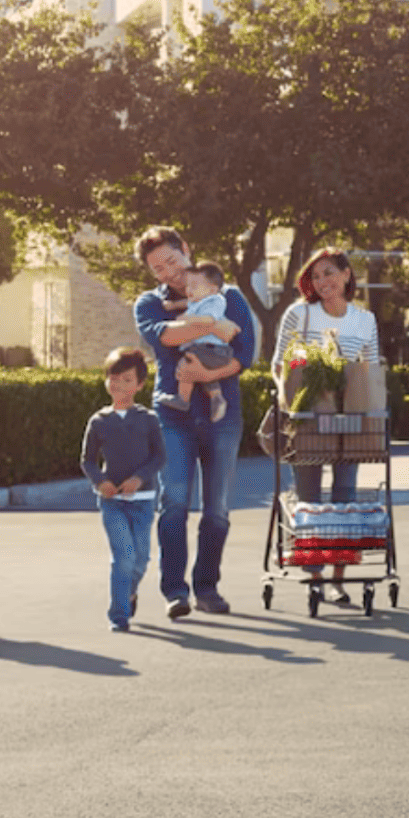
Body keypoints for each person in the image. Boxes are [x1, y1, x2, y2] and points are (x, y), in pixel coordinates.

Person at [133, 226, 257, 620]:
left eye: (172, 261)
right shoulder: (149, 302)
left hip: (223, 416)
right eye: (157, 268)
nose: (167, 272)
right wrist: (214, 325)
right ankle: (175, 591)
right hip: (173, 416)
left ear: (186, 250)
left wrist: (206, 375)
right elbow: (164, 336)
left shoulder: (231, 295)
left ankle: (208, 587)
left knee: (217, 508)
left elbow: (246, 351)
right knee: (173, 503)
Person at [271, 246, 380, 606]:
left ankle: (337, 579)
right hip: (308, 416)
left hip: (351, 418)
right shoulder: (299, 314)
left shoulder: (364, 320)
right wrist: (295, 391)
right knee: (310, 498)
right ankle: (314, 575)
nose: (322, 282)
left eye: (329, 273)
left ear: (347, 275)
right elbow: (279, 365)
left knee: (345, 498)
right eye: (315, 276)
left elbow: (372, 369)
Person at [82, 346, 166, 633]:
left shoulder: (148, 419)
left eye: (127, 380)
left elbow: (159, 457)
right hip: (112, 502)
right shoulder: (98, 421)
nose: (119, 385)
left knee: (140, 558)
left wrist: (139, 479)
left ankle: (129, 593)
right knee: (123, 557)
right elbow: (87, 460)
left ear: (140, 385)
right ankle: (118, 615)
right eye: (114, 378)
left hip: (142, 501)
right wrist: (100, 481)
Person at [151, 262, 234, 424]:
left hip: (215, 350)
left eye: (194, 285)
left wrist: (187, 318)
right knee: (200, 371)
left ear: (212, 289)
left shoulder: (216, 301)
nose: (189, 290)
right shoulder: (197, 301)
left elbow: (209, 320)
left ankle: (183, 399)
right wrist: (173, 305)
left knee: (186, 365)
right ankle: (216, 398)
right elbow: (186, 303)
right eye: (188, 285)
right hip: (207, 350)